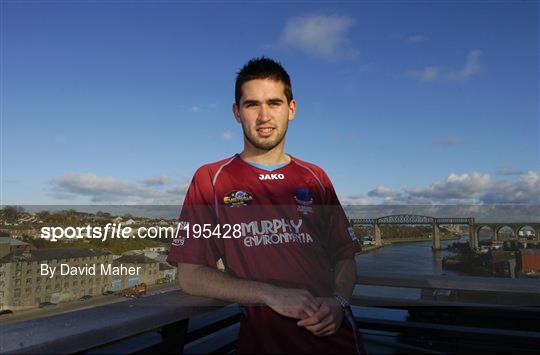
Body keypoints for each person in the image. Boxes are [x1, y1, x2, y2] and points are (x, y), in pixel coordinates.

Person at [167, 57, 364, 353]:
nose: (263, 116)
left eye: (274, 103)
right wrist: (268, 294)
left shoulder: (316, 177)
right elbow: (190, 274)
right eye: (251, 105)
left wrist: (338, 302)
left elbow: (345, 258)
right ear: (236, 113)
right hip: (265, 343)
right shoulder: (211, 179)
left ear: (291, 109)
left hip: (338, 342)